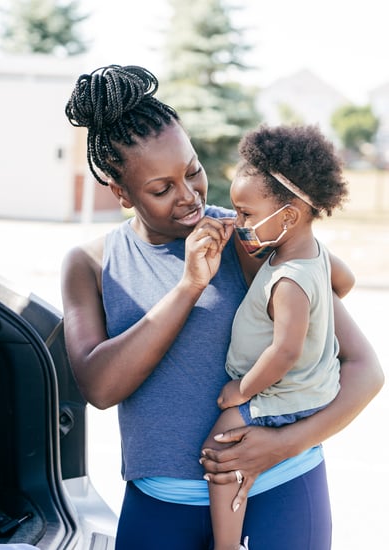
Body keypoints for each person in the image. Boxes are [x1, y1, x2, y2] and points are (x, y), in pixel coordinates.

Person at [62, 64, 384, 550]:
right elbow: (100, 387)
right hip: (159, 503)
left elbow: (365, 370)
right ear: (121, 192)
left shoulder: (252, 237)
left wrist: (279, 446)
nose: (191, 198)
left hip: (280, 486)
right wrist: (189, 286)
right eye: (161, 188)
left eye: (193, 171)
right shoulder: (90, 264)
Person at [200, 124, 354, 550]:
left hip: (285, 392)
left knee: (220, 447)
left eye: (246, 214)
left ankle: (226, 545)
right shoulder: (313, 255)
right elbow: (348, 279)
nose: (237, 222)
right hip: (308, 386)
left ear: (287, 216)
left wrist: (241, 390)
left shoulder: (288, 280)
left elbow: (284, 351)